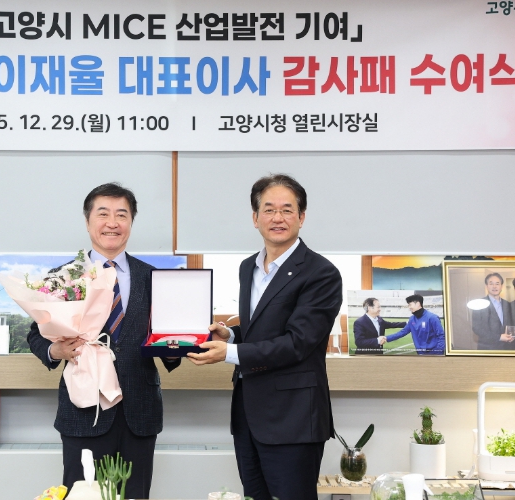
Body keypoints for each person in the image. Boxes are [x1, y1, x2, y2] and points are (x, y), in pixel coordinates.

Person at [188, 174, 342, 500]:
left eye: (287, 210)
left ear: (301, 217)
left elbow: (297, 342)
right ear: (255, 217)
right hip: (248, 416)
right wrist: (231, 335)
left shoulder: (321, 273)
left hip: (293, 419)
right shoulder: (249, 267)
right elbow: (263, 328)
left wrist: (229, 353)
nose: (278, 218)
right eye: (269, 209)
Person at [27, 182, 181, 499]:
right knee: (82, 494)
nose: (113, 223)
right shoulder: (63, 276)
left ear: (131, 222)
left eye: (121, 215)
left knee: (135, 494)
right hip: (84, 408)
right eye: (103, 214)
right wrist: (55, 349)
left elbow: (171, 344)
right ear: (88, 222)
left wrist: (176, 346)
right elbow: (35, 333)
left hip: (139, 409)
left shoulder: (155, 278)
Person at [472, 273, 514, 350]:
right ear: (486, 286)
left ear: (501, 286)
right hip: (488, 349)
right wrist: (499, 337)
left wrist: (512, 336)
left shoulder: (508, 304)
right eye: (491, 284)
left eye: (497, 284)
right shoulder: (479, 304)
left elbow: (511, 324)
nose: (494, 286)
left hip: (507, 348)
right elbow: (477, 328)